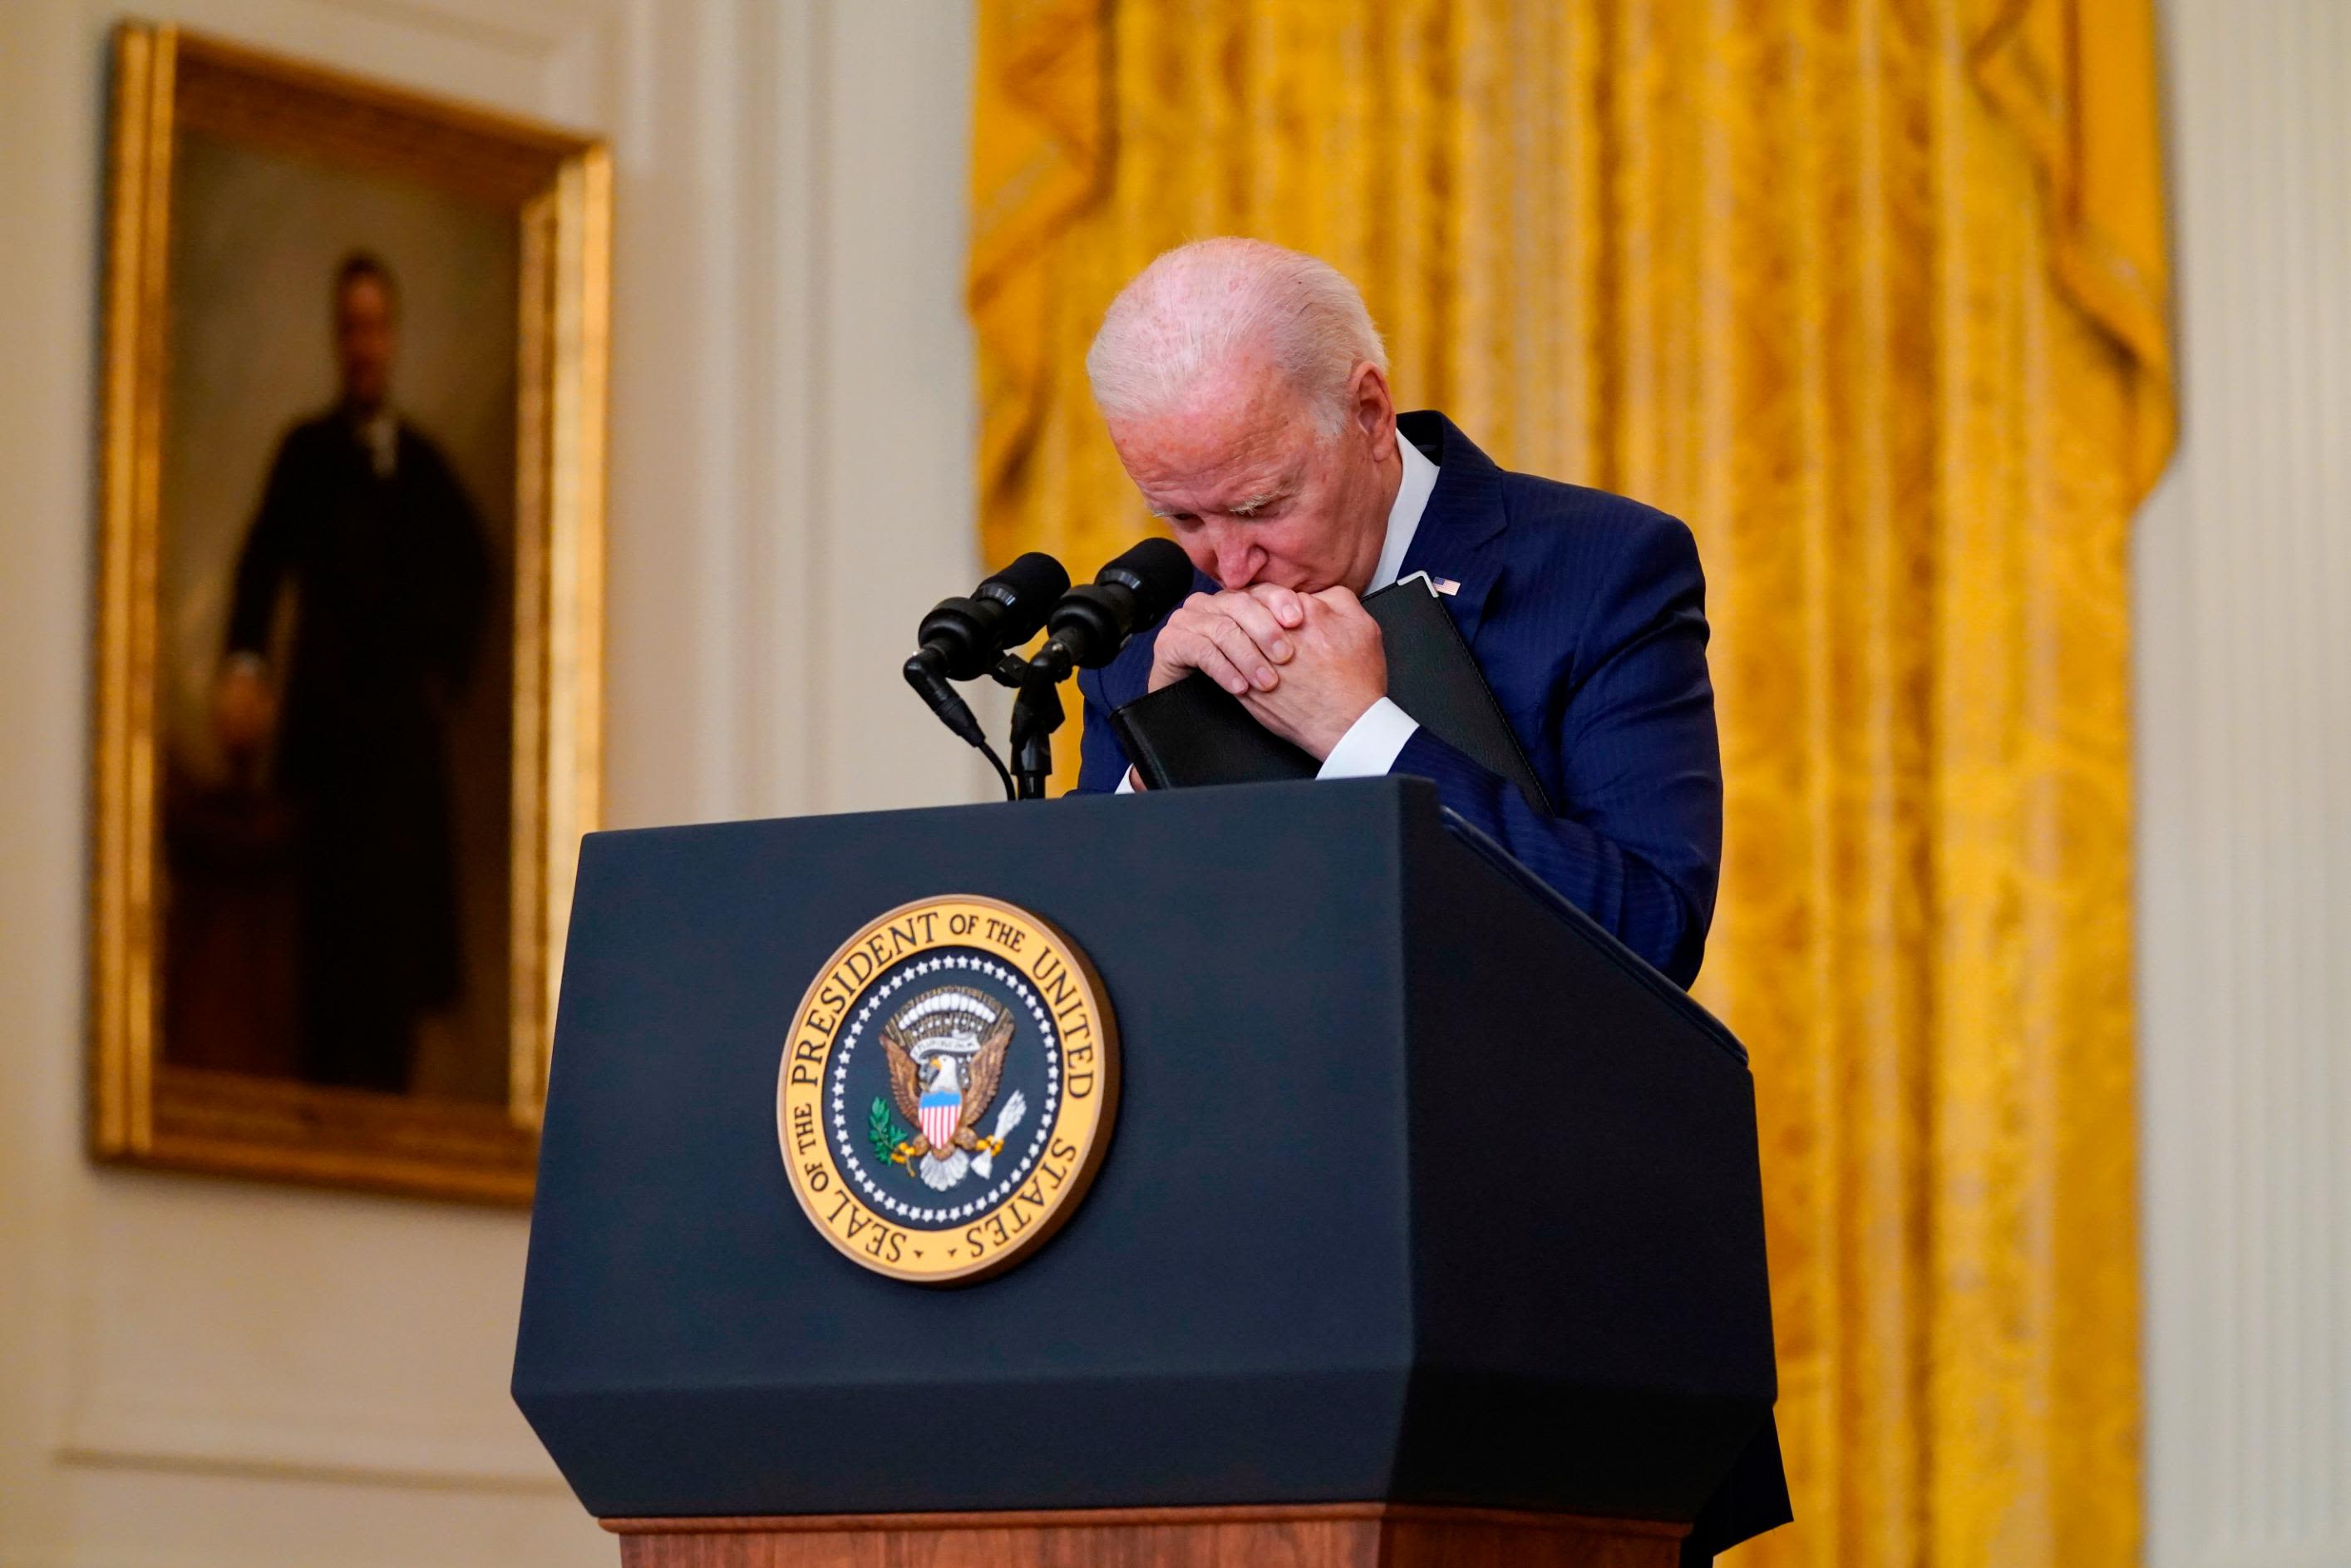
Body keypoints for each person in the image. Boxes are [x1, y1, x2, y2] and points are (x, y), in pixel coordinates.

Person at [1073, 238, 1724, 989]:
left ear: (1370, 415)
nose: (1228, 565)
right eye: (1181, 519)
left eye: (1261, 506)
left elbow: (1650, 937)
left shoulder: (1604, 569)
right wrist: (1165, 757)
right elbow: (1082, 976)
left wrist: (1363, 735)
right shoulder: (1141, 626)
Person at [210, 252, 489, 1092]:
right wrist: (246, 666)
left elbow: (476, 570)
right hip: (328, 760)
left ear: (392, 337)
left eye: (376, 327)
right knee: (325, 966)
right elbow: (261, 566)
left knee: (393, 975)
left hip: (401, 771)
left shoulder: (427, 471)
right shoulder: (305, 454)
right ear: (339, 339)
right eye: (350, 327)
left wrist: (443, 673)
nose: (363, 345)